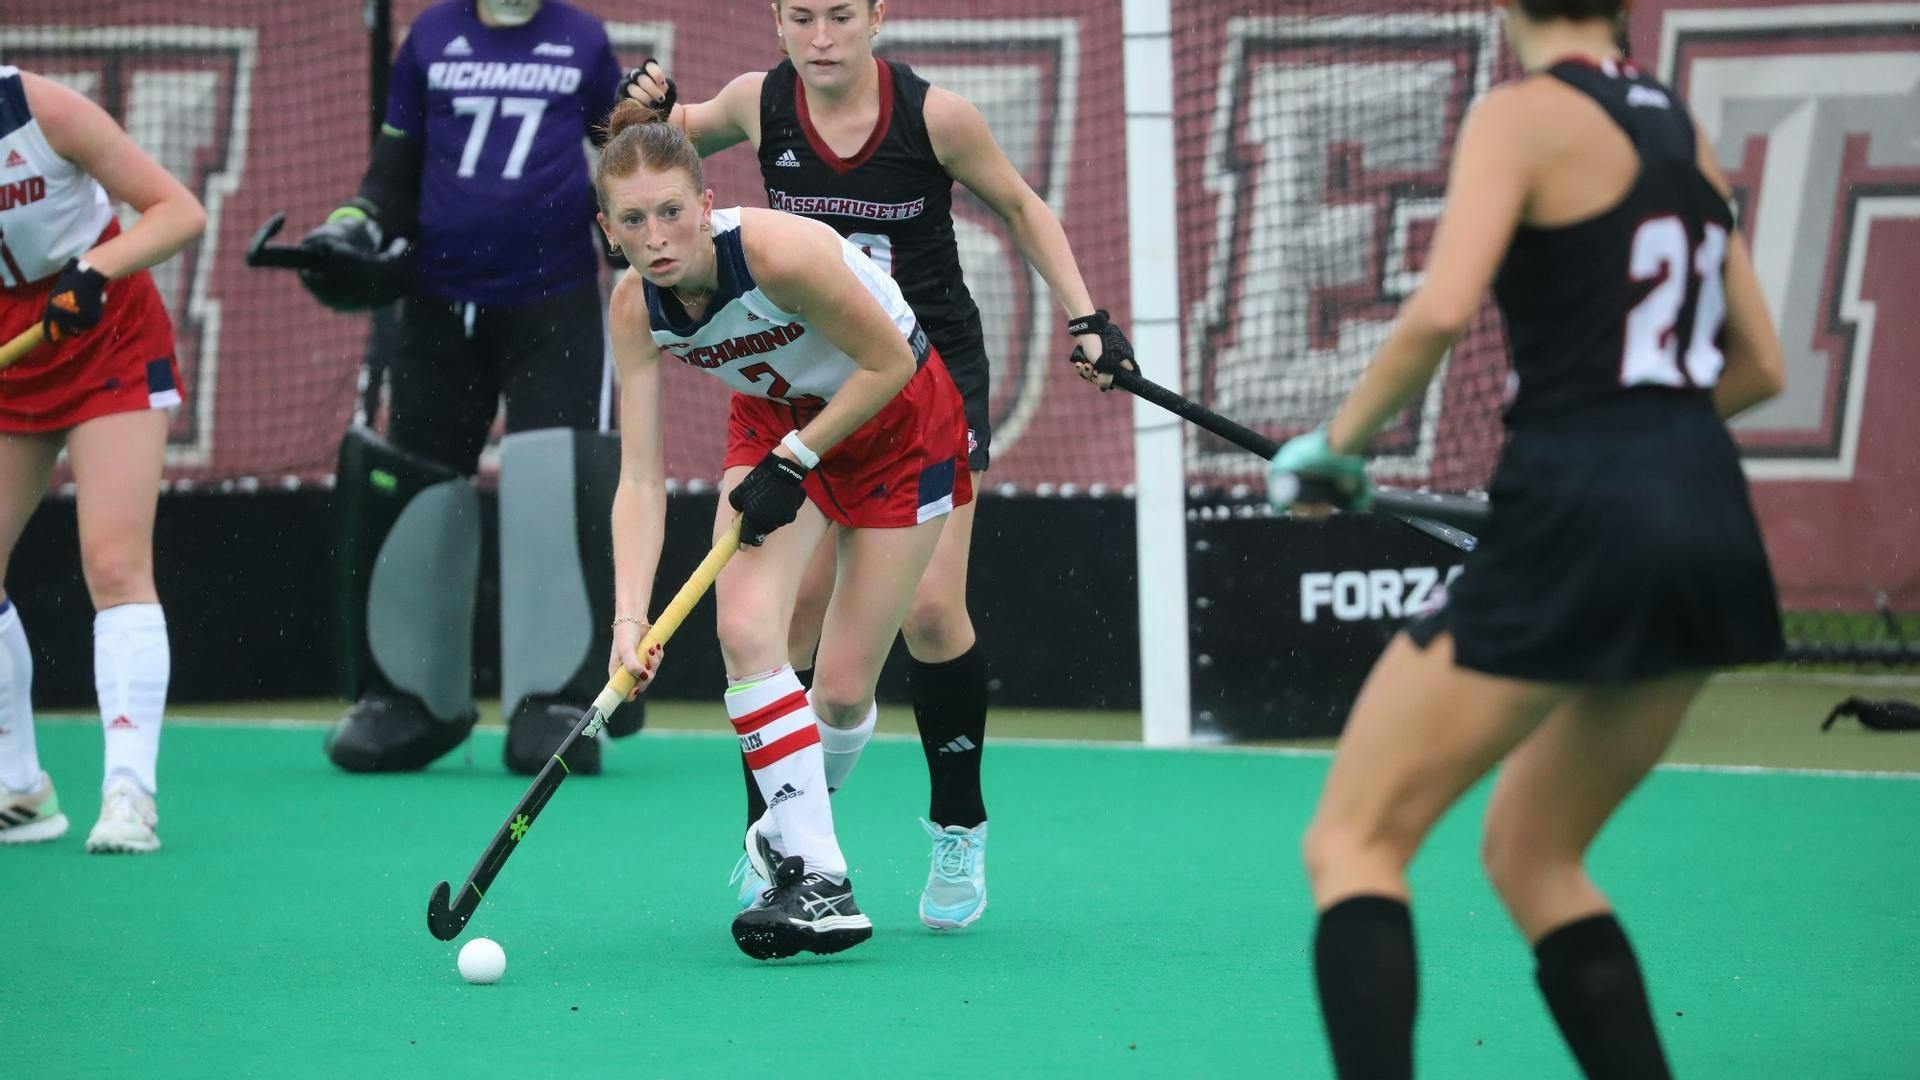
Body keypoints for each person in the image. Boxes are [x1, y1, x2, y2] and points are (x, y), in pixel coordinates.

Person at [1265, 1, 1787, 1076]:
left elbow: (1440, 311)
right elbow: (1760, 365)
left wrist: (1333, 447)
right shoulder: (1677, 127)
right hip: (1708, 514)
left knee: (1354, 841)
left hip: (1579, 511)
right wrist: (1645, 451)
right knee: (1535, 854)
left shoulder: (1520, 116)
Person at [621, 0, 1134, 926]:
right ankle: (785, 848)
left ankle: (957, 824)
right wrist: (645, 101)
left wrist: (1087, 317)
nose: (822, 38)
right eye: (802, 17)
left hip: (920, 369)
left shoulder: (934, 117)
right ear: (777, 24)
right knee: (785, 621)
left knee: (933, 613)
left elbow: (1019, 204)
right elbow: (651, 151)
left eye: (841, 16)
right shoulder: (758, 103)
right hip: (800, 374)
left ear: (876, 19)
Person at [595, 106, 971, 959]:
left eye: (670, 212)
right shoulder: (634, 308)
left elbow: (892, 365)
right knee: (745, 627)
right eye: (631, 220)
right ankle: (819, 876)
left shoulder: (777, 254)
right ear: (607, 228)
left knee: (840, 689)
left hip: (898, 419)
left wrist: (798, 458)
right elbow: (642, 479)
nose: (656, 238)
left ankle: (792, 841)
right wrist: (627, 621)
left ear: (706, 201)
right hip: (772, 418)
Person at [299, 0, 636, 777]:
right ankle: (412, 697)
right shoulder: (430, 36)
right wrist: (349, 227)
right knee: (418, 481)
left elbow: (622, 166)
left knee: (554, 481)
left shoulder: (583, 38)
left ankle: (556, 698)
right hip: (435, 307)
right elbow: (390, 174)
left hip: (554, 304)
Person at [0, 67, 207, 852]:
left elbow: (177, 212)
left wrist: (96, 268)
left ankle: (130, 795)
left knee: (115, 562)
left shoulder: (41, 109)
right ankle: (18, 788)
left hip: (105, 334)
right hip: (13, 348)